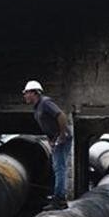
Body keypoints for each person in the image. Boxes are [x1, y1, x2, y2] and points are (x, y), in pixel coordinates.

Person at [22, 80, 72, 210]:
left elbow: (61, 116)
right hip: (56, 138)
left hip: (63, 138)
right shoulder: (37, 107)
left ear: (35, 93)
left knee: (59, 168)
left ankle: (60, 200)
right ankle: (59, 198)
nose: (25, 96)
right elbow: (49, 124)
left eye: (27, 93)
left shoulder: (45, 103)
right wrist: (50, 139)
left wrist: (61, 135)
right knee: (57, 167)